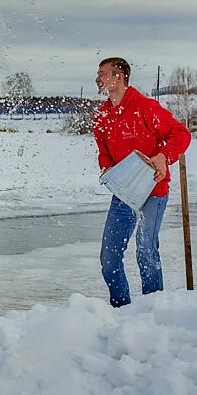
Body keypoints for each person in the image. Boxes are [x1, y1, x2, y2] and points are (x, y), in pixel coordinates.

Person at [94, 57, 191, 307]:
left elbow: (181, 134)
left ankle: (153, 309)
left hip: (154, 190)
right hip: (124, 193)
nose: (98, 78)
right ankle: (122, 311)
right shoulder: (102, 116)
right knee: (109, 258)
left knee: (146, 250)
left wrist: (163, 156)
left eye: (103, 73)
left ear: (119, 77)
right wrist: (106, 166)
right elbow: (103, 150)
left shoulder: (145, 107)